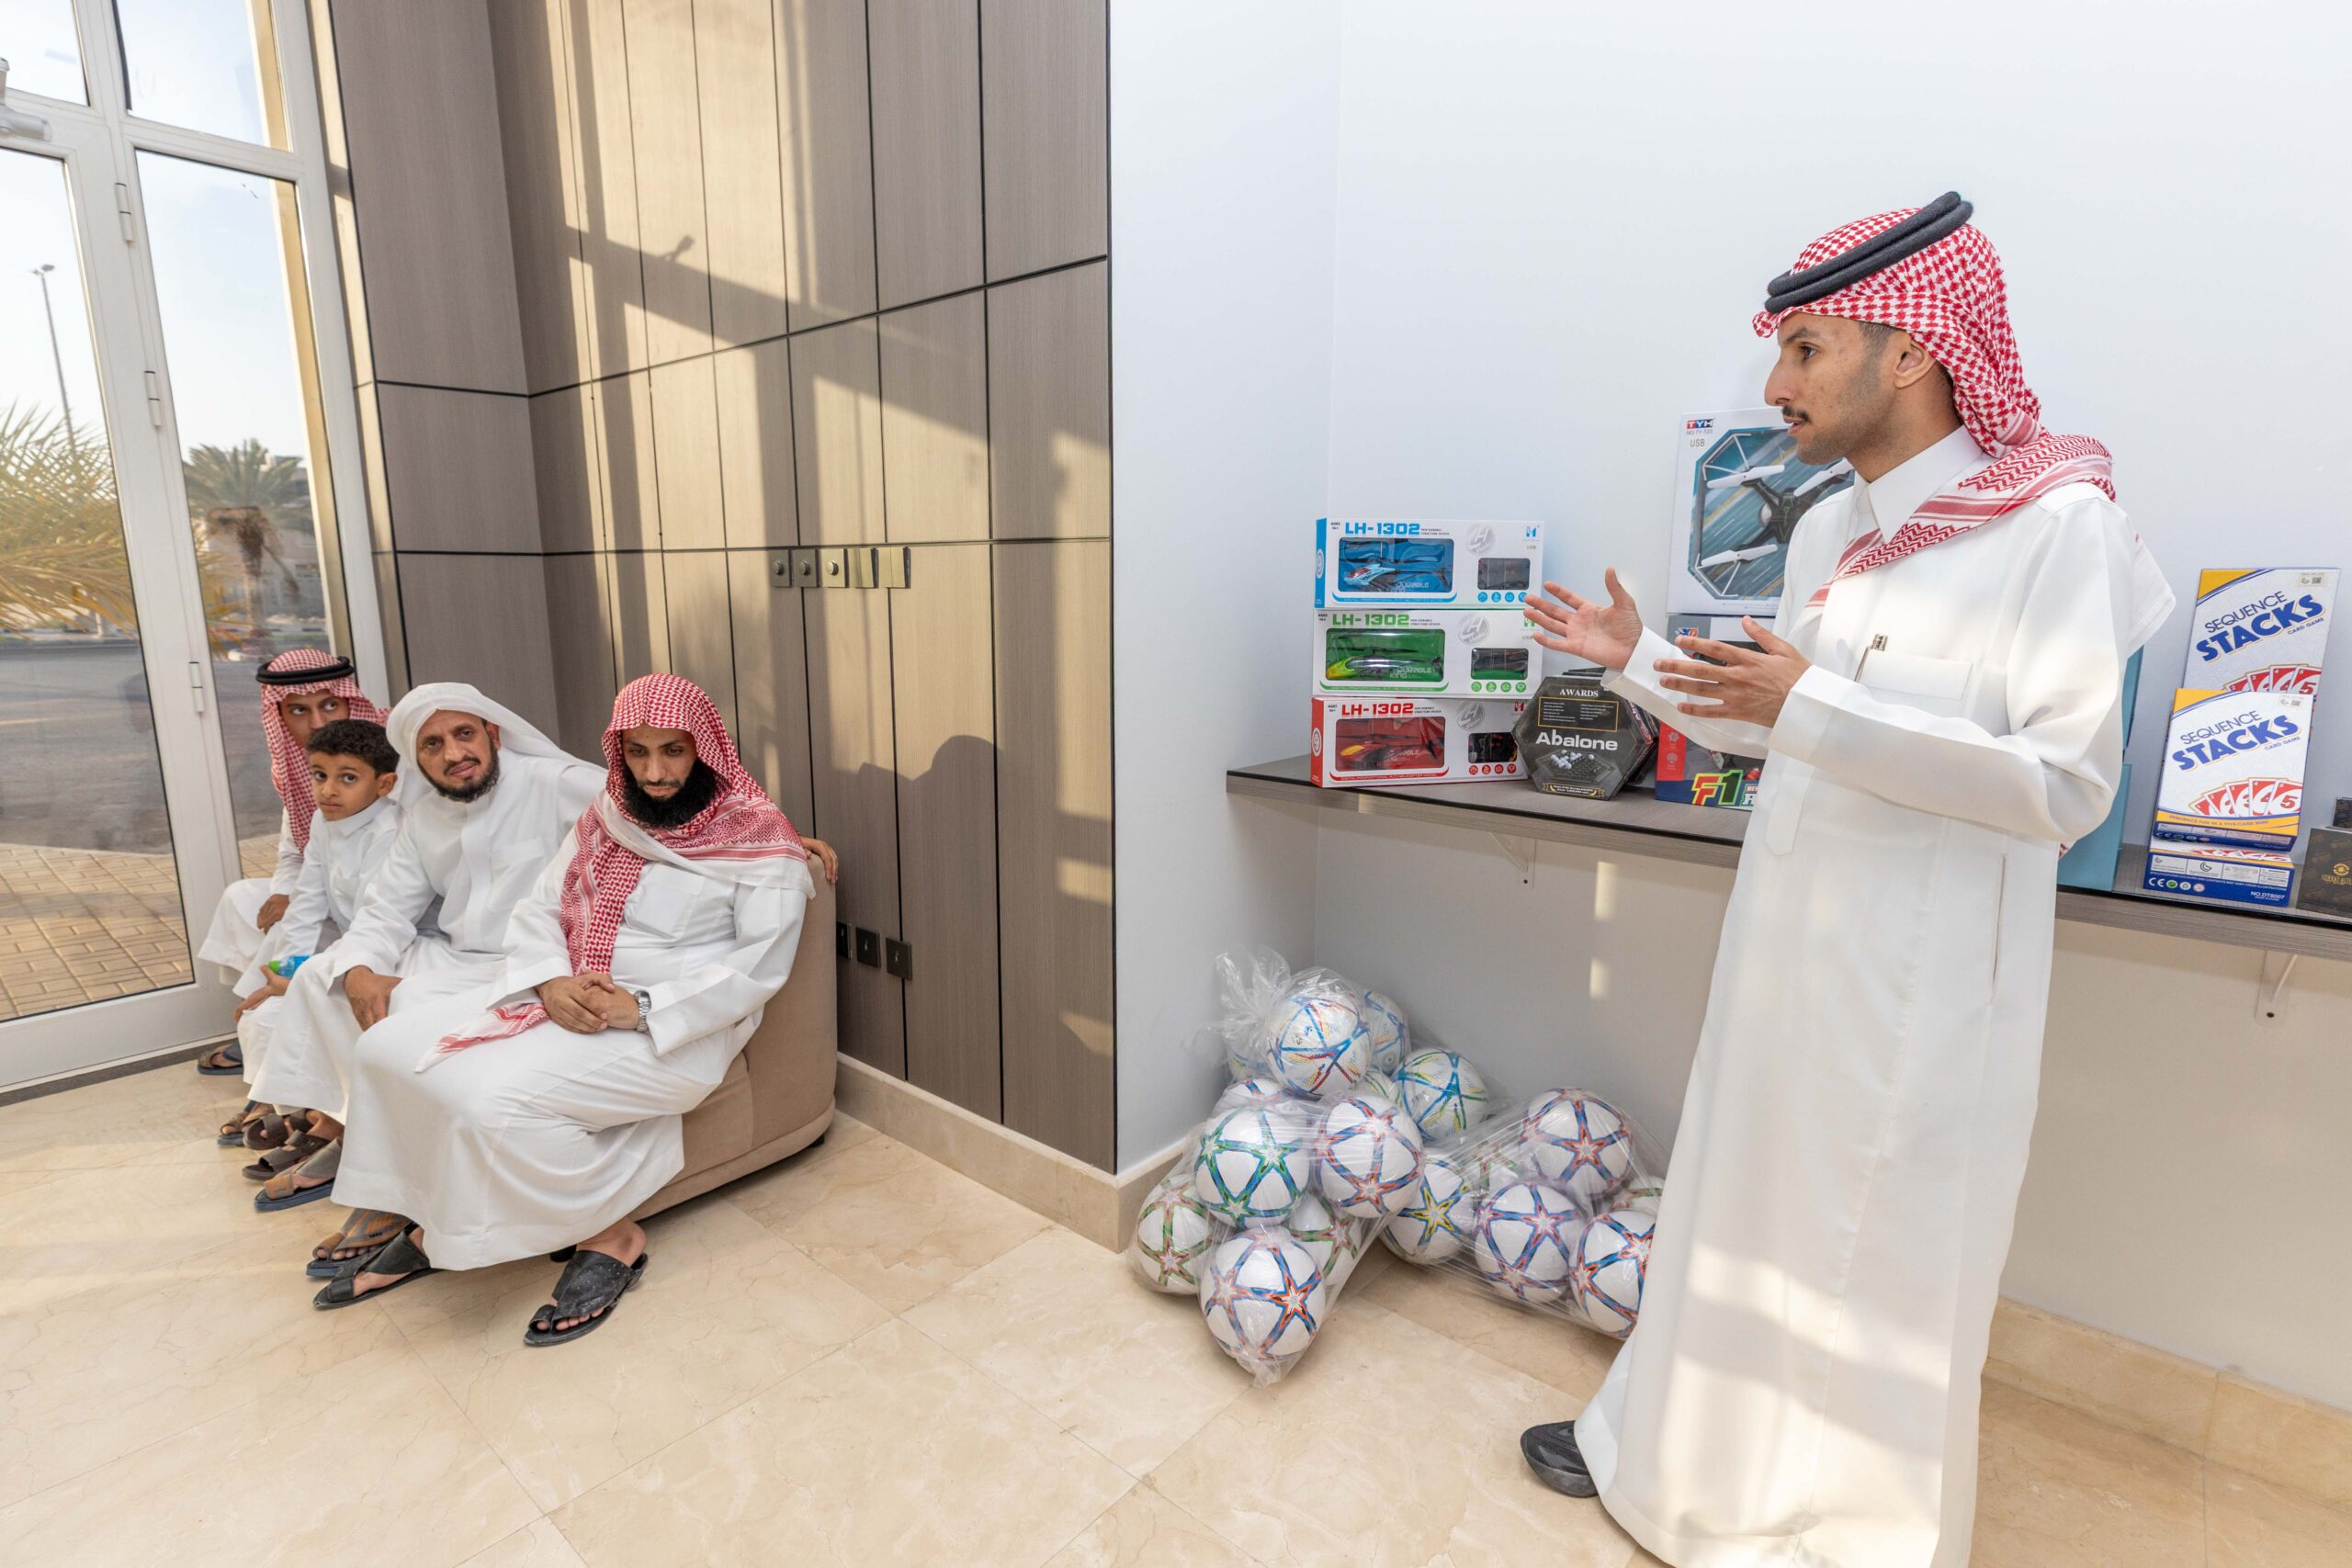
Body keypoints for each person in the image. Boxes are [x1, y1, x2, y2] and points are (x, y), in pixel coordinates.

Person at [1515, 193, 2176, 1568]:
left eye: (1806, 348)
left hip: (1920, 999)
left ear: (1913, 349)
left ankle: (1832, 1537)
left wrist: (1813, 705)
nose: (1778, 383)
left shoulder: (2058, 527)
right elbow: (1776, 721)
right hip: (1784, 952)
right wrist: (1640, 661)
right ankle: (1666, 1462)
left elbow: (2065, 784)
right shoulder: (1828, 532)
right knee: (1734, 1210)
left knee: (1870, 1268)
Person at [315, 675, 840, 1346]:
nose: (654, 773)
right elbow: (541, 904)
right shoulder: (609, 814)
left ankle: (610, 1235)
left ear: (704, 749)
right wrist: (551, 982)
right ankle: (431, 1218)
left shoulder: (759, 843)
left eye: (673, 752)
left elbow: (755, 969)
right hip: (570, 994)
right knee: (383, 1050)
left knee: (490, 1104)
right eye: (638, 753)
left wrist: (639, 1008)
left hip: (674, 1028)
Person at [245, 683, 603, 1243]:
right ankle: (349, 1125)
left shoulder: (554, 783)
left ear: (492, 733)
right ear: (416, 759)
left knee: (399, 1010)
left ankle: (390, 1166)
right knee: (323, 975)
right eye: (432, 744)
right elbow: (385, 909)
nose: (454, 753)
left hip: (540, 964)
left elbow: (653, 808)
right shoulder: (423, 817)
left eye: (464, 734)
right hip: (462, 957)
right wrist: (360, 967)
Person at [193, 650, 385, 1077]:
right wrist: (285, 892)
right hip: (335, 895)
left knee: (293, 924)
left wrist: (299, 902)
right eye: (299, 710)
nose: (317, 722)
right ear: (279, 715)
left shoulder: (385, 757)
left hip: (383, 913)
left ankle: (269, 1020)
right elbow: (294, 852)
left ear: (349, 701)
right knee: (247, 901)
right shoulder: (299, 772)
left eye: (329, 705)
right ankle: (266, 1011)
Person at [216, 718, 403, 1149]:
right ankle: (279, 1098)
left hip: (387, 951)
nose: (328, 791)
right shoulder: (323, 822)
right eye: (319, 776)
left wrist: (301, 979)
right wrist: (285, 972)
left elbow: (381, 921)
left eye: (347, 778)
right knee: (264, 1007)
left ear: (384, 784)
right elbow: (306, 905)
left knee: (295, 1006)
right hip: (347, 941)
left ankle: (315, 1114)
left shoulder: (391, 831)